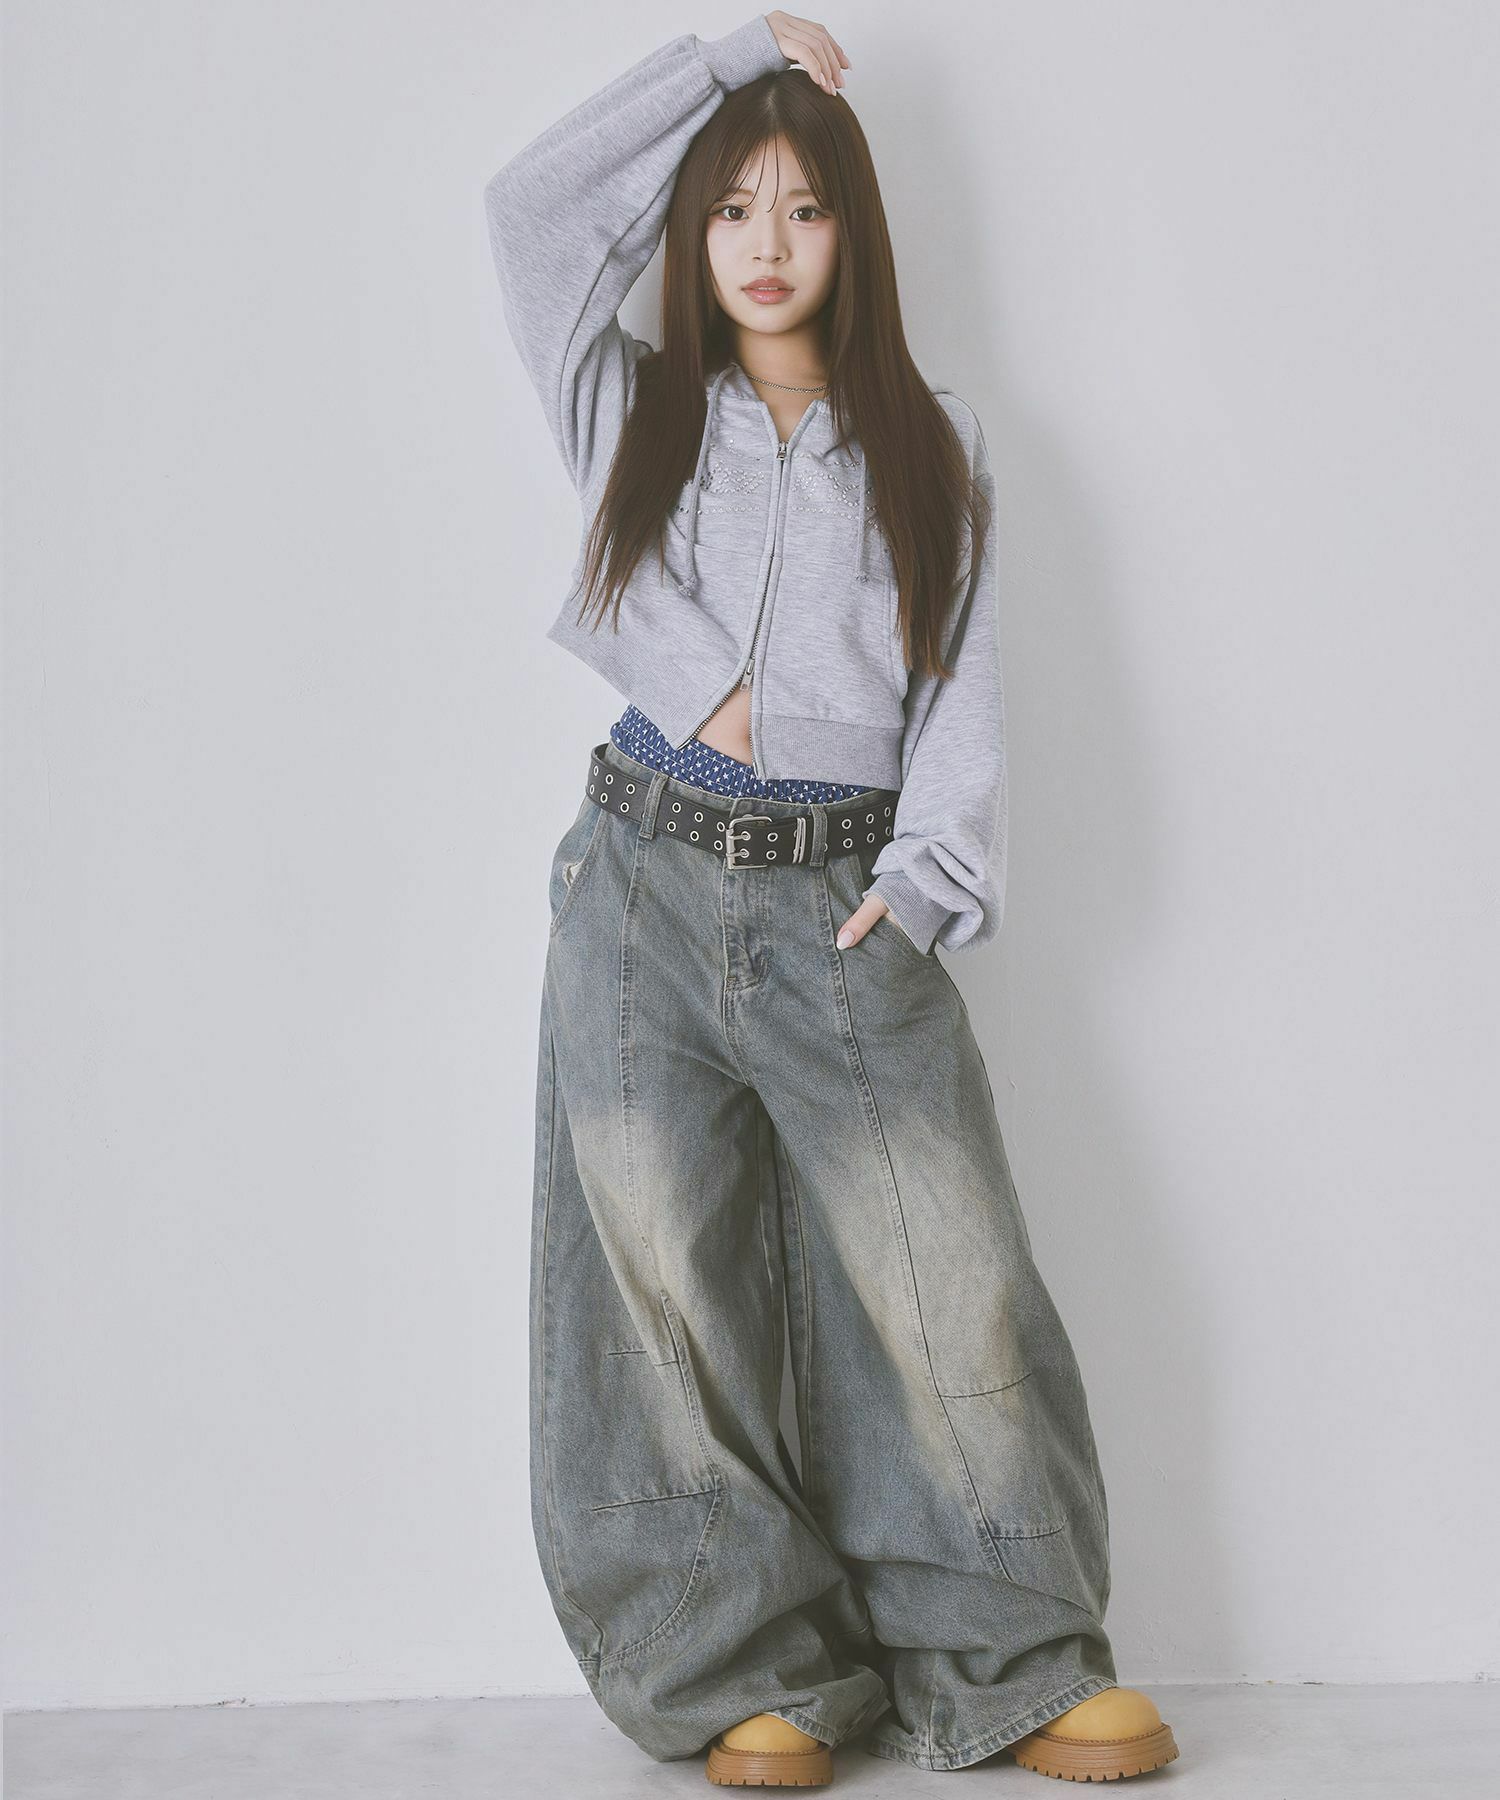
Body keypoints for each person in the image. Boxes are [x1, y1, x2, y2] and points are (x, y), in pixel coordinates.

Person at [482, 11, 1179, 1786]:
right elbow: (530, 214)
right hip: (638, 887)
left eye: (804, 208)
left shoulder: (936, 446)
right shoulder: (633, 409)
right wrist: (719, 64)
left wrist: (924, 884)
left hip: (842, 901)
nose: (768, 243)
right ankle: (745, 1670)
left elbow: (964, 692)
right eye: (734, 210)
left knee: (947, 1277)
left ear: (856, 232)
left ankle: (1013, 1655)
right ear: (693, 233)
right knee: (663, 1291)